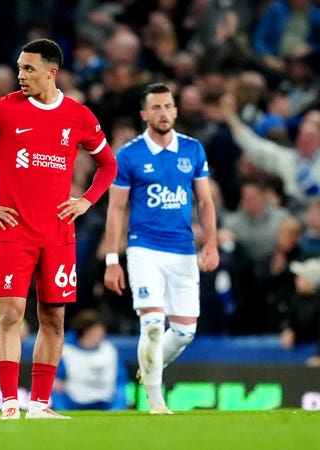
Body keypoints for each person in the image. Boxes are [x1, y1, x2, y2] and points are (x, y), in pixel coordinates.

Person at [0, 38, 118, 420]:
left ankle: (39, 404)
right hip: (14, 232)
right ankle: (9, 403)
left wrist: (86, 200)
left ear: (52, 72)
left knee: (54, 319)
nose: (20, 75)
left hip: (58, 235)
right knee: (11, 313)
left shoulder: (79, 116)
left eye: (29, 68)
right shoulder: (2, 110)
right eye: (19, 67)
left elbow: (108, 165)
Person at [103, 82, 219, 415]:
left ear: (176, 110)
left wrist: (210, 242)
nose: (163, 113)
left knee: (184, 331)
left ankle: (150, 368)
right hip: (144, 249)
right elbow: (115, 210)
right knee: (152, 325)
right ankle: (156, 400)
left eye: (168, 106)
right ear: (144, 114)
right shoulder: (128, 155)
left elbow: (205, 201)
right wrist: (114, 259)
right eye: (156, 107)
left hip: (182, 249)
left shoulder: (193, 150)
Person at [51, 309, 128, 411]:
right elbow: (55, 381)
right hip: (74, 403)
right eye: (99, 330)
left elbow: (120, 381)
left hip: (106, 403)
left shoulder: (110, 351)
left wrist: (117, 408)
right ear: (88, 331)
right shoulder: (66, 351)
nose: (103, 333)